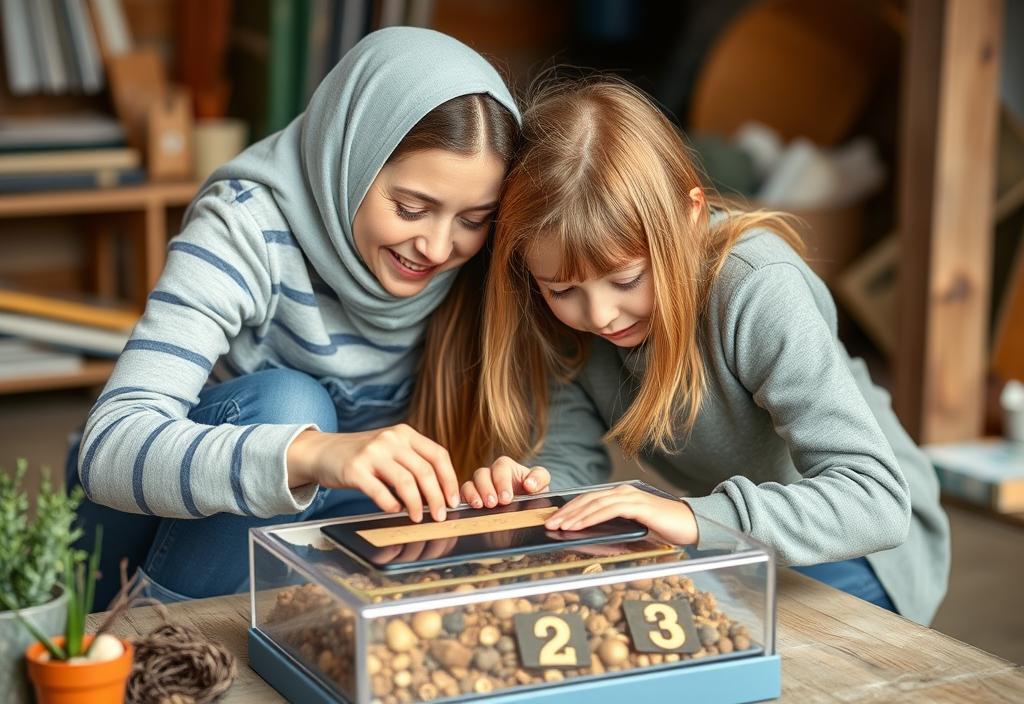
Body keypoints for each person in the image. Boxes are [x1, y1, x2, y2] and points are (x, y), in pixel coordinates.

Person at [464, 77, 950, 626]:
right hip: (738, 536)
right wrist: (537, 491)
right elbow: (570, 460)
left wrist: (692, 518)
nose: (599, 315)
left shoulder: (757, 288)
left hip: (863, 550)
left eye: (626, 280)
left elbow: (877, 503)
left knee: (682, 626)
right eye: (562, 289)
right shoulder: (562, 320)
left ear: (691, 215)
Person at [67, 27, 525, 605]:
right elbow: (108, 450)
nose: (436, 248)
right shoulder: (246, 227)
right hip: (139, 548)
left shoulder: (480, 263)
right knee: (293, 403)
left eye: (473, 219)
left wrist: (497, 483)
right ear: (350, 156)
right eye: (411, 208)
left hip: (301, 547)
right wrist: (310, 453)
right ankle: (161, 659)